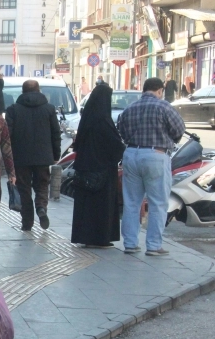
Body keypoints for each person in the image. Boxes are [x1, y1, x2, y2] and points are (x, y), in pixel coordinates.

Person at [117, 77, 185, 256]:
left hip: (131, 154)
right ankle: (154, 245)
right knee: (158, 202)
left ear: (143, 90)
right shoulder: (164, 107)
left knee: (131, 202)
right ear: (160, 90)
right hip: (156, 155)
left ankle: (130, 244)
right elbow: (179, 129)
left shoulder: (130, 109)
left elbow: (121, 130)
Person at [71, 84, 126, 248]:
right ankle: (100, 237)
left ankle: (86, 236)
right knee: (101, 206)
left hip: (85, 168)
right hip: (102, 171)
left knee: (86, 207)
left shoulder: (87, 119)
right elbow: (115, 145)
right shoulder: (103, 121)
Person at [5, 80, 61, 231]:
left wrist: (8, 157)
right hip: (44, 156)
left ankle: (27, 222)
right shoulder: (49, 109)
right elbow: (56, 133)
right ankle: (41, 207)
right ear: (39, 91)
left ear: (22, 92)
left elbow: (7, 136)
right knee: (42, 185)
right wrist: (56, 154)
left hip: (21, 157)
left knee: (23, 188)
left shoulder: (13, 110)